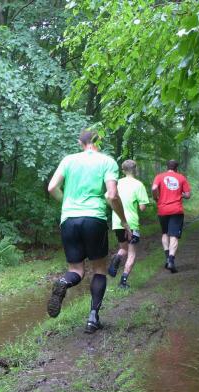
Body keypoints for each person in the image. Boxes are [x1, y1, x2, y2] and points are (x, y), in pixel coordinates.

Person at [46, 130, 130, 333]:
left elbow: (52, 188)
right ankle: (93, 318)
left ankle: (63, 282)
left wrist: (66, 202)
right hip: (94, 218)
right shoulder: (107, 162)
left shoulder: (68, 160)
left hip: (69, 219)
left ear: (79, 142)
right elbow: (112, 195)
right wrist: (124, 220)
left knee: (76, 270)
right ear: (98, 142)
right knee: (99, 270)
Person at [108, 159, 150, 288]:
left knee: (123, 248)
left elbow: (109, 198)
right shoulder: (139, 185)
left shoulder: (116, 183)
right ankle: (123, 282)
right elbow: (142, 207)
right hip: (131, 223)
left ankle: (116, 258)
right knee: (131, 253)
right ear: (135, 169)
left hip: (118, 221)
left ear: (123, 170)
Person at [152, 160, 191, 273]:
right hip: (176, 210)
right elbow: (188, 195)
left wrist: (156, 198)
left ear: (167, 167)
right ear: (176, 168)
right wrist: (181, 194)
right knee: (173, 235)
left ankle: (167, 258)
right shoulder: (181, 177)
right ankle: (171, 260)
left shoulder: (159, 176)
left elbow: (154, 188)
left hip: (162, 210)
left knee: (165, 233)